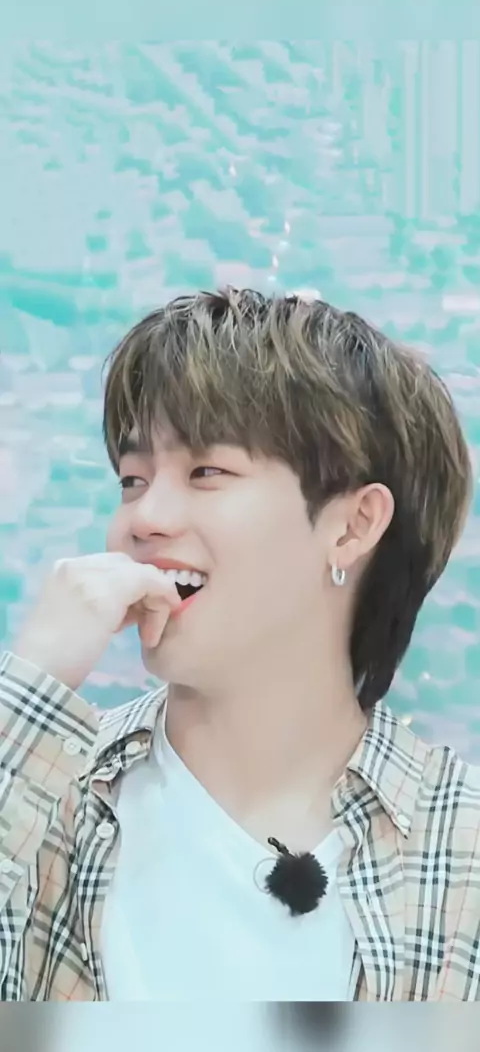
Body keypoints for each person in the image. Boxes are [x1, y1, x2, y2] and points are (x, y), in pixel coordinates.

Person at [0, 288, 478, 1004]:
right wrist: (31, 687)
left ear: (352, 527)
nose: (144, 517)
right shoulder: (43, 798)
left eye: (206, 472)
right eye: (132, 480)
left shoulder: (461, 844)